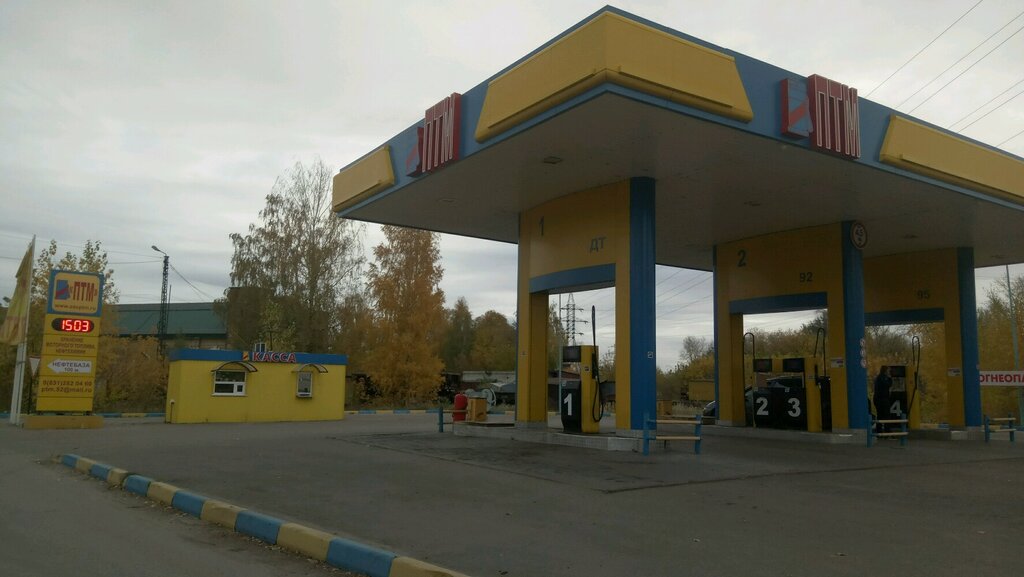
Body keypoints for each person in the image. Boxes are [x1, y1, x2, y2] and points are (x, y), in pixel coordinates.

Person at [873, 365, 892, 433]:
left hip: (878, 399)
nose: (889, 372)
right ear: (885, 371)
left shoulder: (879, 377)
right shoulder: (882, 378)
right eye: (888, 370)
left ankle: (879, 431)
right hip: (882, 399)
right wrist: (890, 378)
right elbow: (888, 385)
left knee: (880, 415)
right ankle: (887, 431)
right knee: (886, 415)